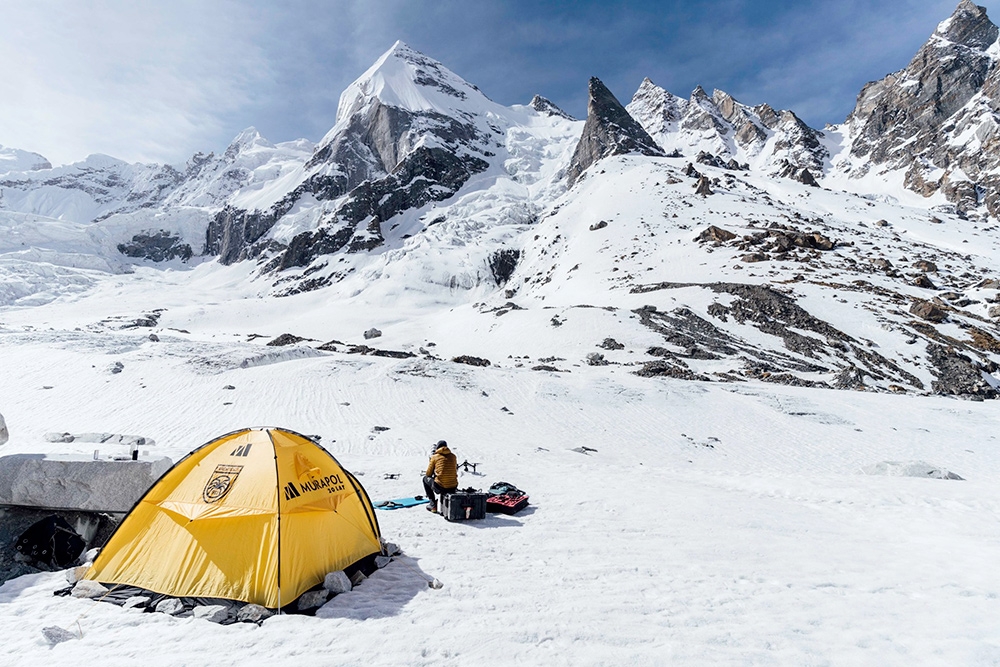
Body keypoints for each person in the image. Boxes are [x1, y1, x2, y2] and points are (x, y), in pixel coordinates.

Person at [422, 440, 458, 513]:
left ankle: (433, 505)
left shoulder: (435, 457)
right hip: (453, 487)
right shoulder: (453, 456)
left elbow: (428, 474)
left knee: (425, 479)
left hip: (440, 487)